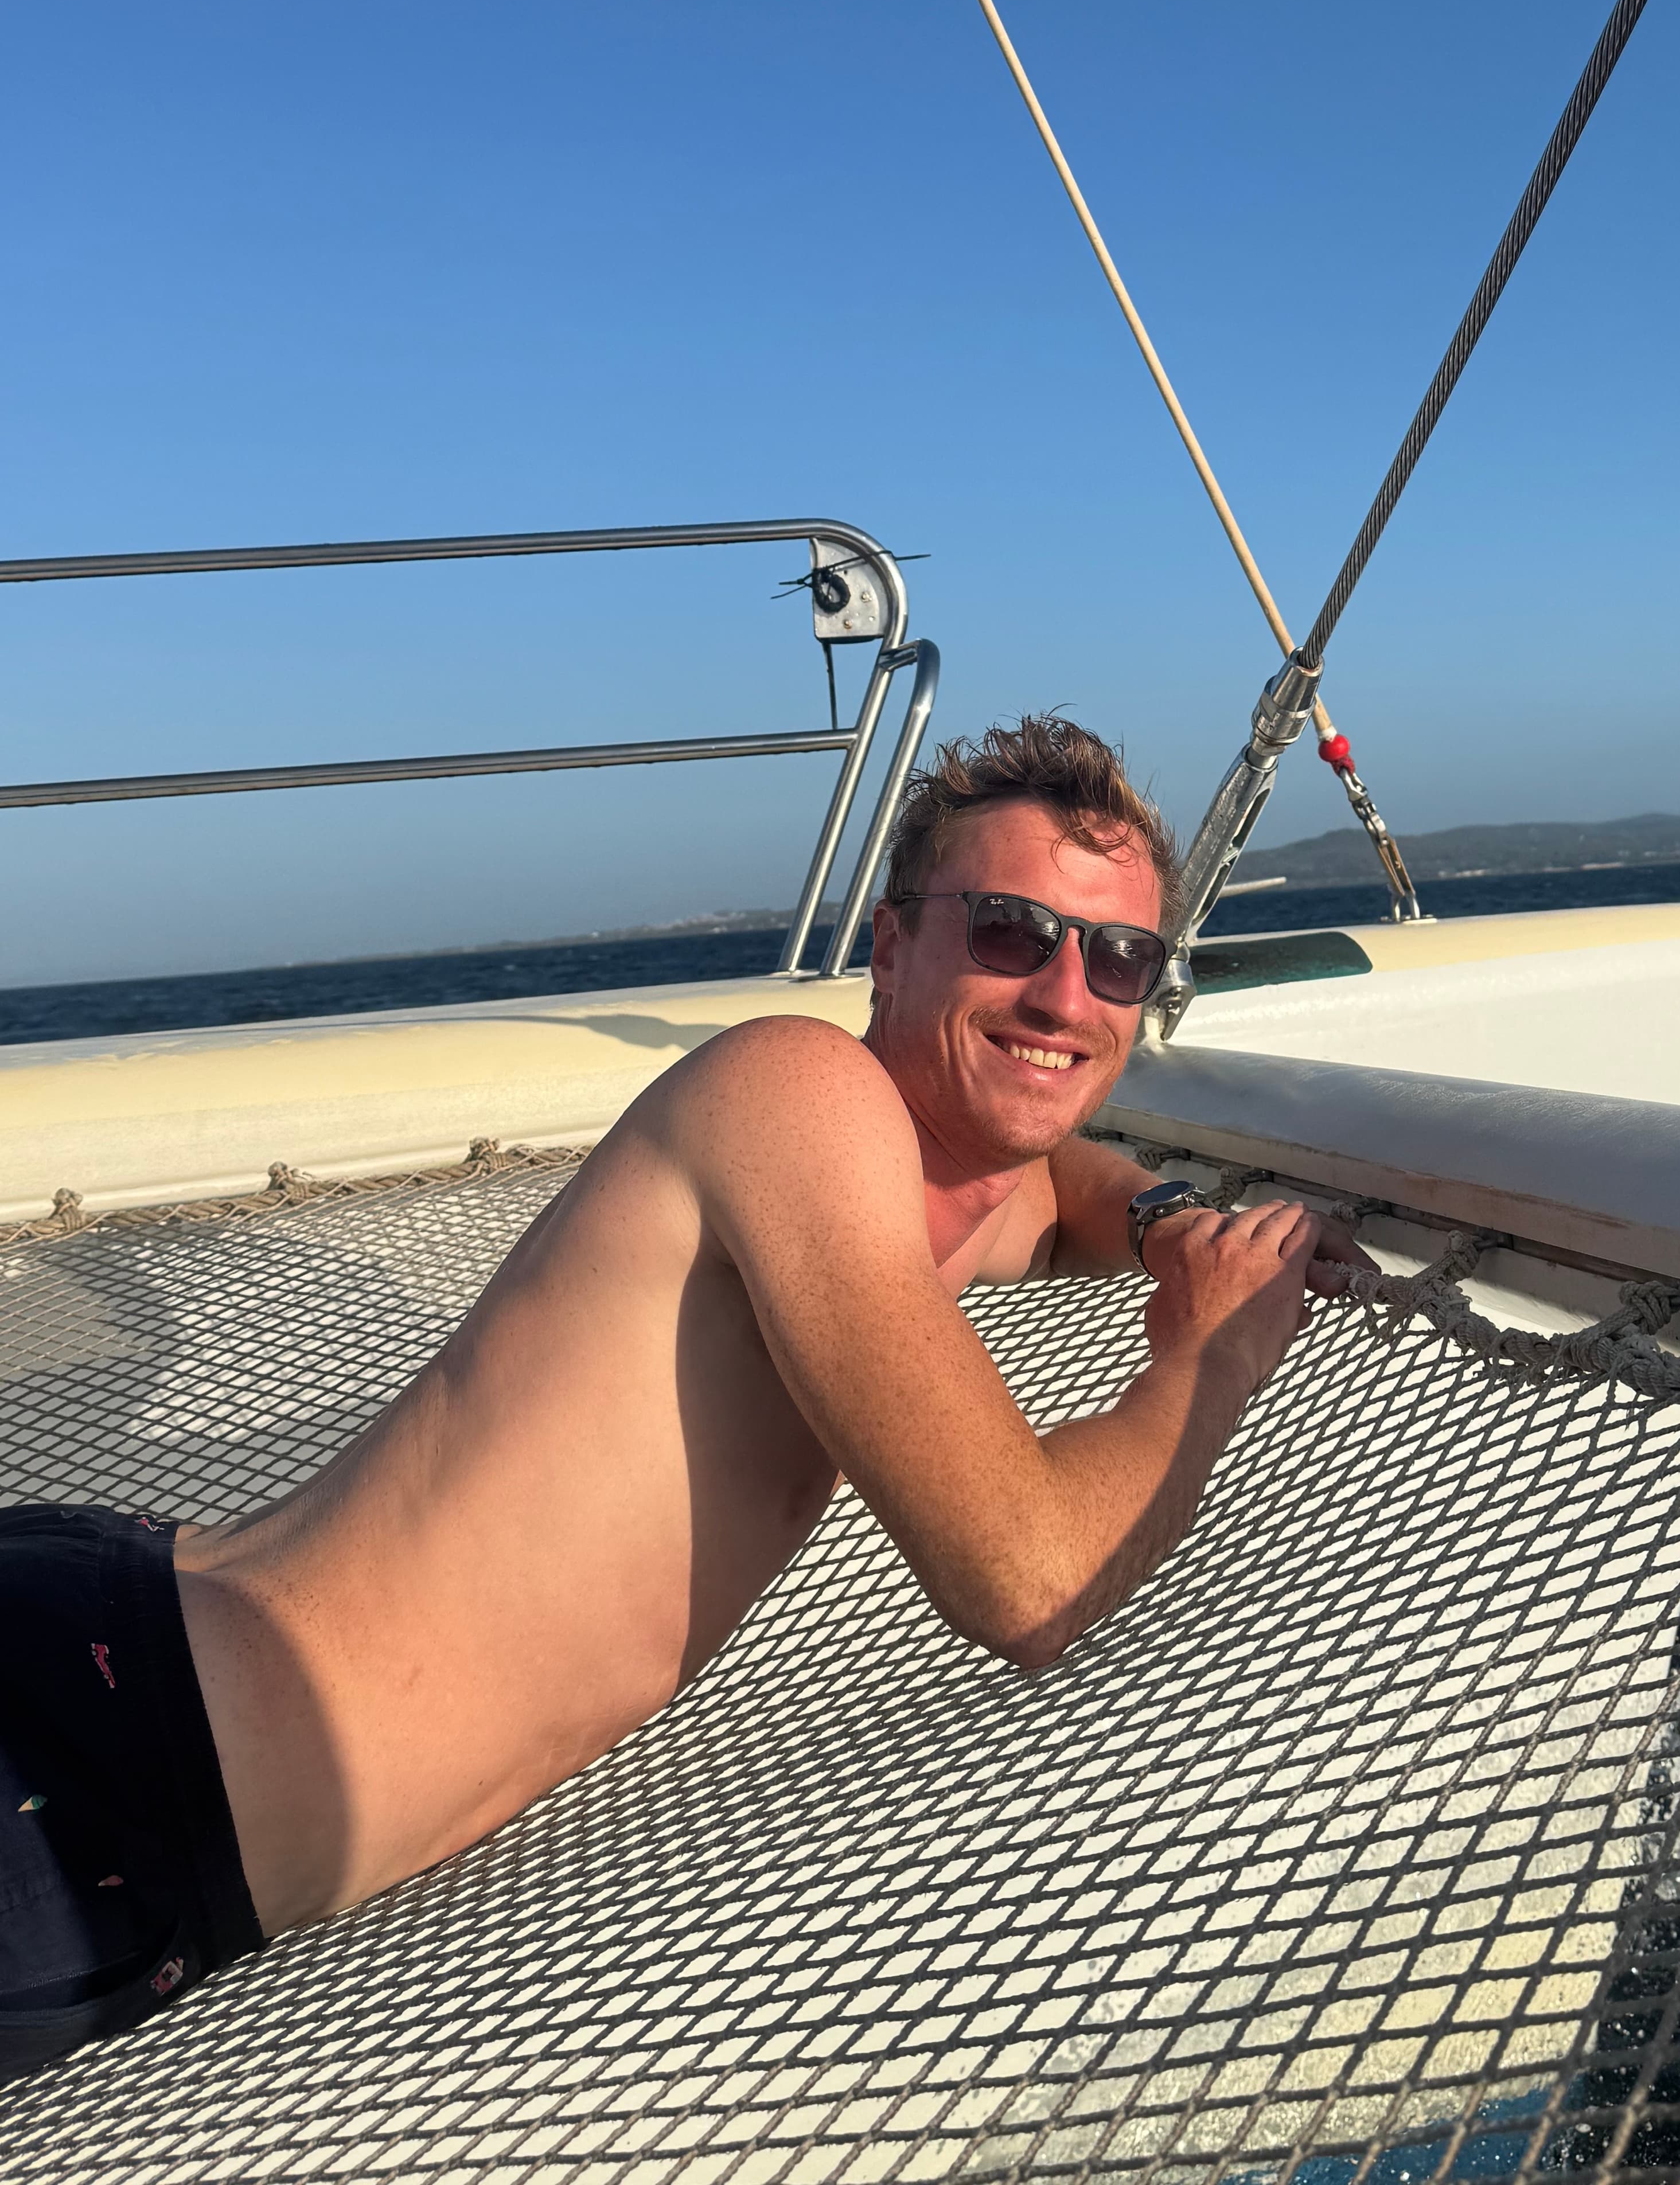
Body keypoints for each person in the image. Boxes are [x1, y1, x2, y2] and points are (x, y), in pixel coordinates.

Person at [0, 715, 1370, 2080]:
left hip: (144, 1705)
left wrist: (1164, 1217)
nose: (1067, 997)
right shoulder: (805, 1091)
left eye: (1120, 957)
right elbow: (1032, 1581)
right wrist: (1208, 1355)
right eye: (1011, 931)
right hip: (104, 1759)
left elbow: (1054, 1186)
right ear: (894, 947)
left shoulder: (939, 1180)